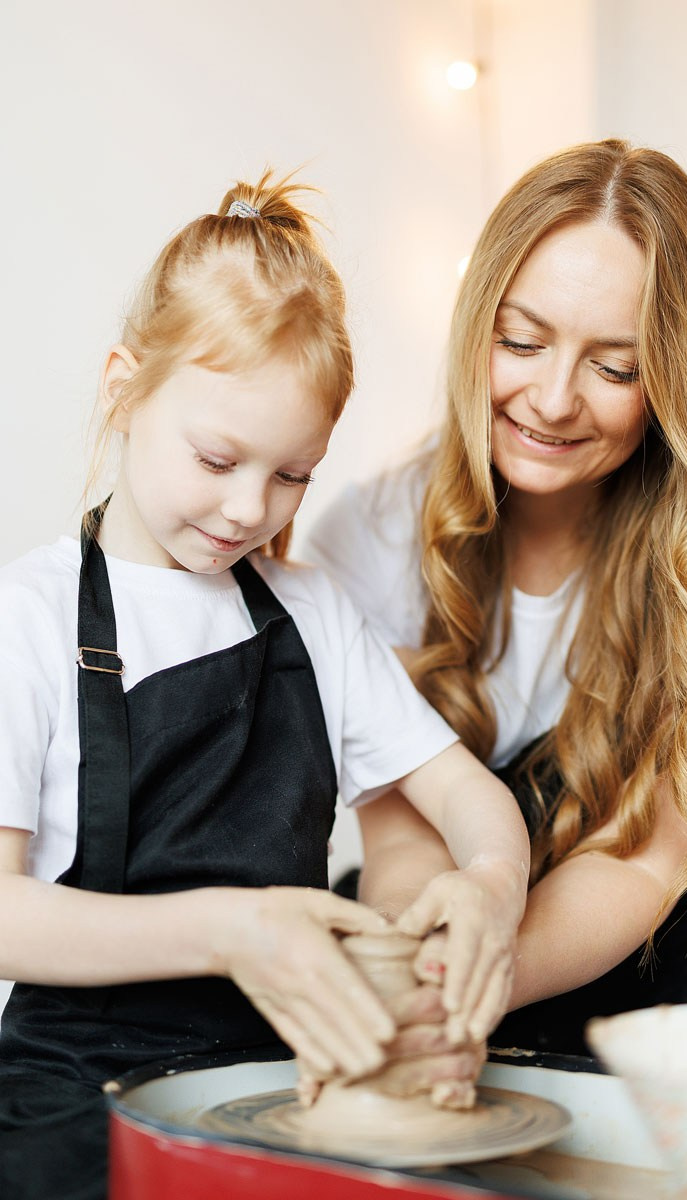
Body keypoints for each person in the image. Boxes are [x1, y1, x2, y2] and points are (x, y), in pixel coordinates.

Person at [0, 173, 531, 1199]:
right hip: (73, 1087)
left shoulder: (309, 612)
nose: (251, 507)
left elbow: (467, 799)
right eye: (217, 457)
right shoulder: (30, 618)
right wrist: (230, 932)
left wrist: (491, 885)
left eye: (293, 474)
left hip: (278, 1070)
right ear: (123, 387)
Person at [307, 138, 687, 1056]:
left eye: (616, 368)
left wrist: (485, 982)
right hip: (452, 895)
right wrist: (427, 976)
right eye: (521, 341)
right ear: (474, 323)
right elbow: (405, 844)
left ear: (675, 381)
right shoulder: (364, 537)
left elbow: (650, 859)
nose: (553, 398)